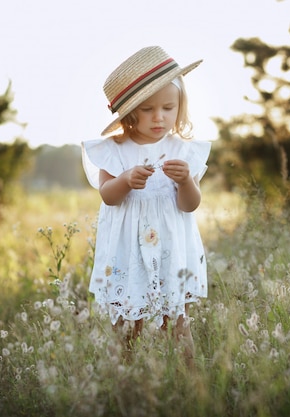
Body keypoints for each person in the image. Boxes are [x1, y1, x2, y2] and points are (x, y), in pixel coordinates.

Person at [81, 46, 210, 363]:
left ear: (180, 107)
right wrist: (124, 180)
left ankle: (192, 389)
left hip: (171, 249)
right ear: (129, 113)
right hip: (128, 249)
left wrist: (186, 182)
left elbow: (189, 205)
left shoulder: (183, 150)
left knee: (178, 323)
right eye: (149, 109)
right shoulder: (114, 150)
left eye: (168, 107)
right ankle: (125, 385)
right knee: (128, 326)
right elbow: (107, 196)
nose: (159, 117)